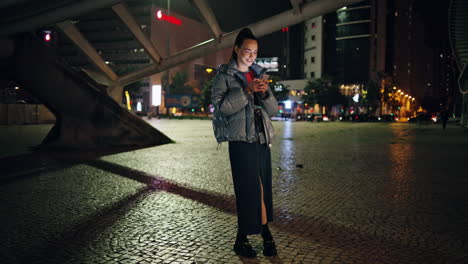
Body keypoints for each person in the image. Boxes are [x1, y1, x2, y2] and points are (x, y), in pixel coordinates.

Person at [211, 28, 278, 258]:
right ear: (236, 49)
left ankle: (243, 239)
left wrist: (266, 93)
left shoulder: (258, 73)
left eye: (255, 52)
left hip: (261, 138)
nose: (251, 56)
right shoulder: (224, 76)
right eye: (247, 51)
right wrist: (247, 91)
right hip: (240, 141)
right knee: (248, 189)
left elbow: (274, 110)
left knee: (262, 188)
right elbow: (221, 109)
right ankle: (265, 234)